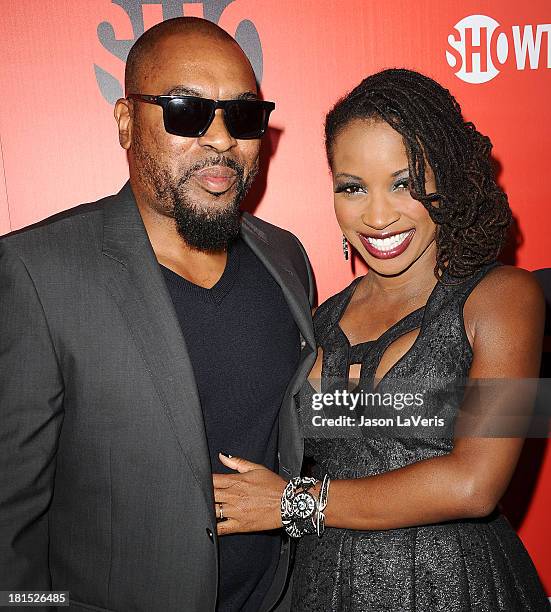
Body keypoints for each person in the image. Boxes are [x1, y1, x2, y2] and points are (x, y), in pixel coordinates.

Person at [0, 17, 316, 612]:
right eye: (186, 110)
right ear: (124, 121)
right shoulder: (37, 272)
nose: (222, 139)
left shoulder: (286, 258)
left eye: (244, 116)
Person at [212, 69, 550, 610]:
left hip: (456, 588)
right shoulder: (318, 319)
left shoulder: (508, 298)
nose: (376, 216)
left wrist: (293, 504)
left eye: (404, 183)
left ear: (448, 179)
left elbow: (474, 484)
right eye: (352, 187)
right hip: (326, 588)